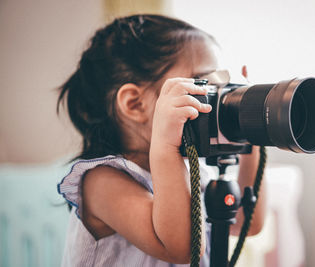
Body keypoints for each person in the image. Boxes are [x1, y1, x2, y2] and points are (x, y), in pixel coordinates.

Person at [57, 14, 266, 266]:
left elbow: (247, 222)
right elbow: (183, 248)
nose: (217, 95)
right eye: (203, 84)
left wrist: (252, 127)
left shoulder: (190, 171)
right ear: (135, 104)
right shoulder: (101, 182)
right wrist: (166, 147)